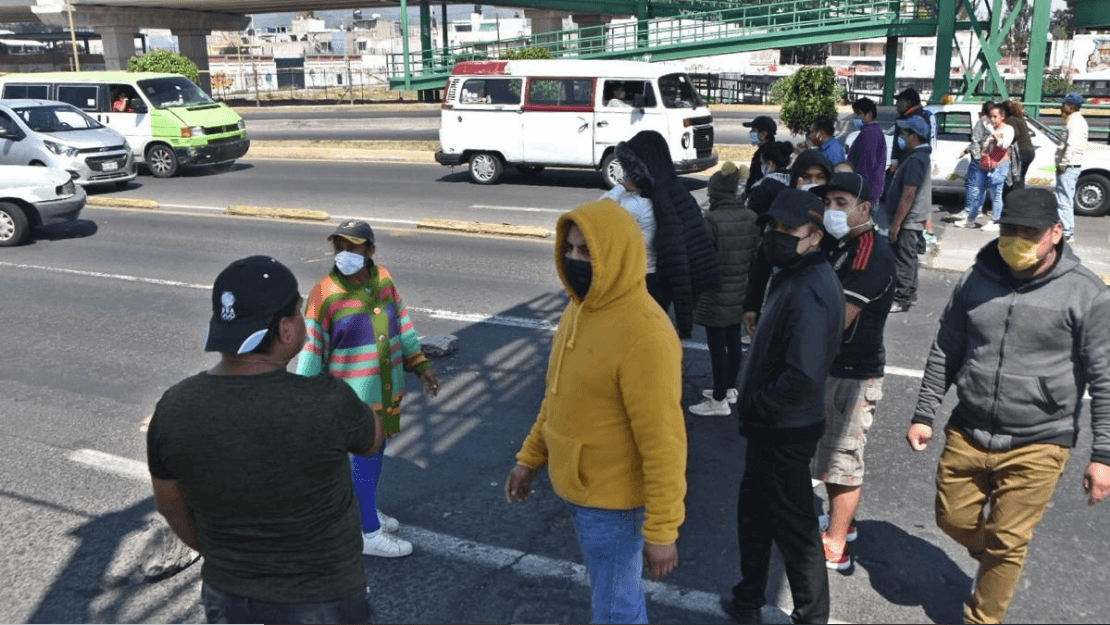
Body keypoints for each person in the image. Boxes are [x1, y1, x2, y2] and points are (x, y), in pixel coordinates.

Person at [906, 187, 1110, 624]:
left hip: (1040, 441)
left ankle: (983, 614)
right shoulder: (975, 279)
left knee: (1009, 541)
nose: (1017, 240)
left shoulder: (1086, 294)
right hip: (968, 428)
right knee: (953, 519)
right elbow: (946, 348)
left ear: (1056, 232)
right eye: (1009, 229)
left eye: (1029, 232)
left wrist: (1103, 456)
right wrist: (924, 413)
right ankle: (994, 559)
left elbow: (1106, 378)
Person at [147, 255, 383, 623]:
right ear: (286, 330)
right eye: (298, 312)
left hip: (227, 594)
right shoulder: (327, 401)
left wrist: (223, 556)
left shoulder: (173, 407)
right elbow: (373, 440)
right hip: (323, 597)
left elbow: (169, 504)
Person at [506, 199, 687, 624]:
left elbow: (664, 442)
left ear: (616, 254)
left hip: (614, 506)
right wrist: (530, 458)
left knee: (615, 608)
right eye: (570, 249)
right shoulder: (579, 310)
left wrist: (663, 529)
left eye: (587, 251)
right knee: (612, 598)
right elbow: (557, 396)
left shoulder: (645, 333)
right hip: (581, 490)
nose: (574, 260)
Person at [723, 189, 844, 625]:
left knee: (795, 529)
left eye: (788, 229)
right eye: (773, 226)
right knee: (755, 516)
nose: (776, 235)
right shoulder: (795, 272)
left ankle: (810, 616)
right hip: (775, 424)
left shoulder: (809, 286)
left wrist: (756, 402)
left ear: (814, 236)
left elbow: (803, 376)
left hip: (784, 428)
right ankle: (749, 596)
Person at [297, 220, 439, 558]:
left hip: (386, 391)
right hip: (352, 398)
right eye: (339, 247)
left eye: (353, 247)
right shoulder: (323, 294)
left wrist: (420, 365)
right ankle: (368, 532)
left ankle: (366, 510)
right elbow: (312, 349)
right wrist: (302, 397)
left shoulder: (383, 279)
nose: (344, 253)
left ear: (370, 250)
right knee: (366, 456)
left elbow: (403, 324)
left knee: (377, 451)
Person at [810, 173, 896, 573]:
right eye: (828, 203)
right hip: (837, 367)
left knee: (843, 460)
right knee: (831, 455)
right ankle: (845, 523)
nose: (832, 210)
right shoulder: (844, 244)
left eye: (841, 203)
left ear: (865, 209)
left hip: (853, 372)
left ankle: (836, 545)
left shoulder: (869, 253)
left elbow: (837, 318)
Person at [616, 130, 719, 338]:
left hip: (648, 283)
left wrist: (622, 187)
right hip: (663, 285)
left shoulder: (644, 204)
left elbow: (678, 262)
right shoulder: (677, 192)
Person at [689, 162, 761, 416]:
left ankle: (718, 399)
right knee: (733, 339)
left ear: (716, 193)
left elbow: (702, 260)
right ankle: (729, 388)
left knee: (717, 345)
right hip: (740, 289)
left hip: (715, 292)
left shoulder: (712, 220)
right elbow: (755, 257)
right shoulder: (751, 217)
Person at [879, 116, 932, 314]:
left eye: (903, 134)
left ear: (913, 136)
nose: (900, 138)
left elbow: (908, 194)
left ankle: (901, 298)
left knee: (903, 260)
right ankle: (910, 293)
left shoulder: (916, 160)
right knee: (909, 258)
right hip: (910, 219)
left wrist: (896, 224)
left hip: (908, 220)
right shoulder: (917, 157)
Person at [953, 102, 995, 229]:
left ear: (983, 111)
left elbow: (975, 141)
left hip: (979, 158)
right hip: (990, 158)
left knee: (972, 184)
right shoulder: (995, 124)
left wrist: (976, 156)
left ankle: (969, 211)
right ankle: (978, 210)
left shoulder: (982, 122)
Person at [977, 104, 1015, 233]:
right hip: (988, 164)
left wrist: (993, 134)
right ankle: (992, 217)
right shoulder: (990, 128)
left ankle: (996, 220)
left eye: (995, 116)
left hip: (1000, 164)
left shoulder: (1008, 129)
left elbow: (1004, 145)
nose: (992, 119)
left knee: (996, 194)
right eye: (990, 116)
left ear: (1002, 117)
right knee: (988, 192)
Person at [1055, 91, 1088, 243]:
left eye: (1065, 104)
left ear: (1071, 106)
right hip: (1071, 165)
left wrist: (1063, 164)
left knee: (1064, 199)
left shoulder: (1074, 123)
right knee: (1064, 197)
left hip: (1069, 165)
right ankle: (1065, 228)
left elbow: (1071, 146)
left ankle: (1067, 231)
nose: (1062, 107)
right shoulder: (1076, 120)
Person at [847, 97, 887, 204]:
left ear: (869, 114)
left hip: (866, 192)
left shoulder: (870, 134)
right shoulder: (871, 131)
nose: (855, 117)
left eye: (859, 113)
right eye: (855, 113)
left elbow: (867, 165)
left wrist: (861, 192)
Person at [743, 140, 793, 216]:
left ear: (770, 163)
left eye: (762, 163)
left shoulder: (763, 187)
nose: (762, 166)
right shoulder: (796, 180)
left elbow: (749, 211)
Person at [1002, 100, 1035, 197]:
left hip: (1020, 152)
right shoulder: (1019, 118)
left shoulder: (1011, 119)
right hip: (1028, 151)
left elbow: (1015, 134)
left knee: (1014, 180)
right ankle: (1017, 200)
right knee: (1019, 178)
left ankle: (1014, 201)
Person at [743, 116, 778, 194]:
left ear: (763, 134)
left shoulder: (765, 154)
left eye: (753, 131)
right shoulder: (769, 150)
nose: (750, 133)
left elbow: (760, 178)